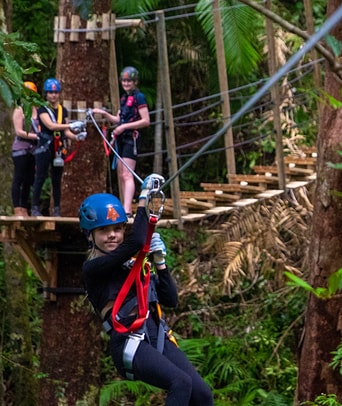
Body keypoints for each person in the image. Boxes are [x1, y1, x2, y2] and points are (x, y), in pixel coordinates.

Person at [79, 191, 213, 406]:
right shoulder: (93, 269)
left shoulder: (133, 266)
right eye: (103, 231)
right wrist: (144, 199)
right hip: (128, 342)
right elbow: (139, 239)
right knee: (180, 382)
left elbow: (171, 300)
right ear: (90, 236)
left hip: (155, 334)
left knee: (202, 395)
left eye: (117, 229)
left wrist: (160, 263)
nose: (112, 235)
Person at [91, 66, 151, 213]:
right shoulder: (124, 98)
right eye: (124, 81)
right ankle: (125, 205)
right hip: (122, 139)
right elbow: (118, 119)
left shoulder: (139, 97)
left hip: (132, 138)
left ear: (135, 82)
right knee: (121, 174)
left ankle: (127, 208)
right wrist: (104, 114)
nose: (126, 83)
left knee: (127, 174)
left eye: (129, 81)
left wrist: (125, 127)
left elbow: (145, 120)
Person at [30, 78, 82, 217]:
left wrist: (77, 137)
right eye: (50, 92)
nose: (53, 95)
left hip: (58, 148)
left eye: (55, 92)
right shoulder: (42, 109)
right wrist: (70, 125)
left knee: (56, 179)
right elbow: (51, 126)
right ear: (46, 94)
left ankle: (57, 209)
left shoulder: (62, 110)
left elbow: (66, 132)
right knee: (40, 176)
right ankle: (35, 207)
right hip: (45, 146)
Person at [10, 81, 40, 217]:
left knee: (29, 179)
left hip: (34, 150)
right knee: (19, 178)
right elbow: (19, 131)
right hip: (21, 149)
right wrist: (37, 136)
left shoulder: (38, 111)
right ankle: (17, 208)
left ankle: (24, 207)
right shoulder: (19, 110)